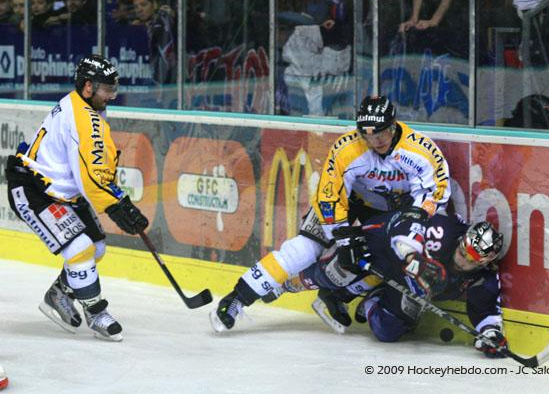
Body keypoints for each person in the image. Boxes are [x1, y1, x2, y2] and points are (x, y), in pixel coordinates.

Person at [209, 95, 451, 332]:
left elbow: (435, 193)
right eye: (367, 136)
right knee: (304, 250)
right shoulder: (347, 148)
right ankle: (236, 298)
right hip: (348, 205)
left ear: (393, 126)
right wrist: (343, 237)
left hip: (392, 215)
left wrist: (409, 225)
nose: (375, 141)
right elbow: (329, 197)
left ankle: (333, 295)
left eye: (380, 134)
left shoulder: (420, 150)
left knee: (388, 259)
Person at [4, 54, 149, 342]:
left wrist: (117, 199)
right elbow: (89, 178)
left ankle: (59, 293)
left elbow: (96, 170)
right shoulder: (82, 118)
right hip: (34, 191)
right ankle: (96, 313)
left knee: (97, 248)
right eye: (106, 89)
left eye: (113, 88)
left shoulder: (86, 107)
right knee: (80, 249)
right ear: (88, 86)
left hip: (60, 192)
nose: (111, 95)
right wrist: (116, 205)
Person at [286, 210, 508, 358]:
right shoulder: (443, 231)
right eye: (462, 250)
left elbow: (485, 310)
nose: (462, 260)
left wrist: (491, 334)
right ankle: (288, 283)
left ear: (484, 262)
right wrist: (413, 258)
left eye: (471, 259)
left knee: (387, 330)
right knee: (335, 274)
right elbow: (402, 227)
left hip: (408, 284)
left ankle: (374, 296)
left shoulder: (484, 277)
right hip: (384, 249)